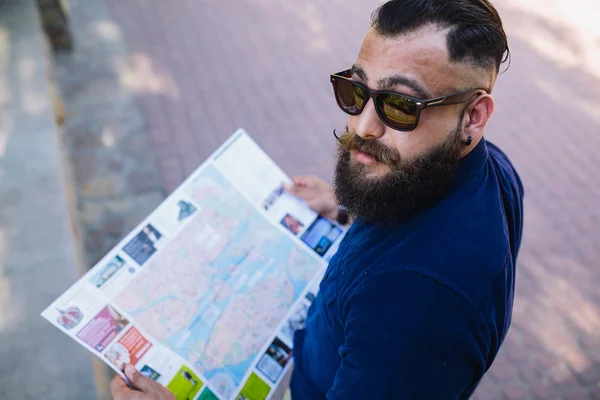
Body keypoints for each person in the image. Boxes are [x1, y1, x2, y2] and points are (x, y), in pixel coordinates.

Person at [111, 0, 523, 399]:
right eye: (356, 89)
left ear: (473, 117)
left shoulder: (414, 303)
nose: (363, 126)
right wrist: (344, 208)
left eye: (401, 105)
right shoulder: (489, 167)